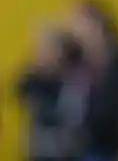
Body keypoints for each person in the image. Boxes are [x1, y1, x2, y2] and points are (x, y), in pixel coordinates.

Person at [69, 0, 118, 161]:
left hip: (108, 147)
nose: (75, 29)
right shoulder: (77, 60)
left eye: (79, 22)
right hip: (78, 147)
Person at [18, 28, 87, 161]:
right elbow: (19, 90)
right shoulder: (36, 79)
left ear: (61, 53)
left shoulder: (73, 82)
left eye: (46, 50)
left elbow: (68, 116)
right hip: (39, 151)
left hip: (66, 153)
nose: (40, 55)